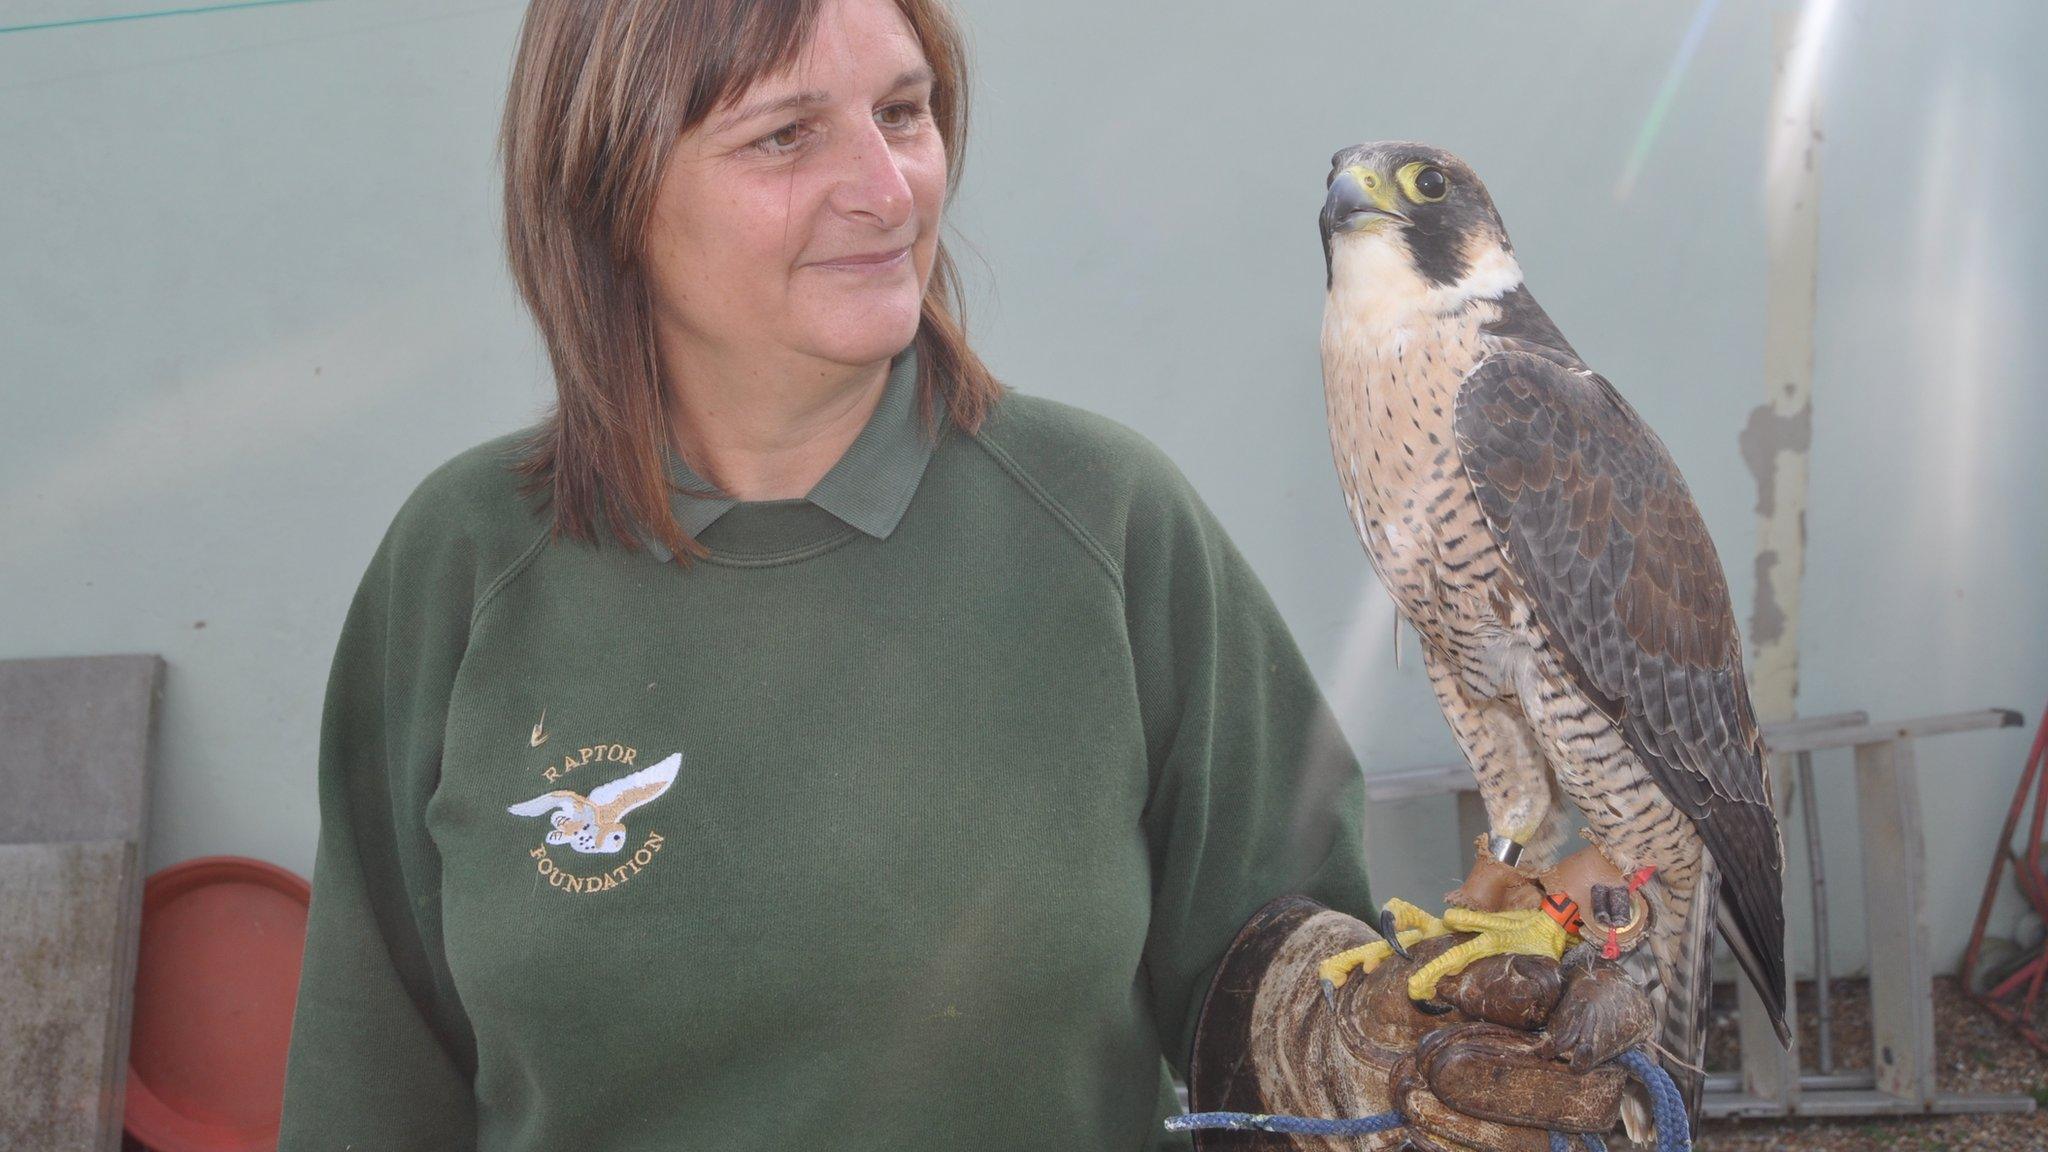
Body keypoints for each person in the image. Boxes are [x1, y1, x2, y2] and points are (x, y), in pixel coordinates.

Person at [275, 0, 1375, 1148]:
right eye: (785, 137)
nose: (887, 190)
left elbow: (1305, 1029)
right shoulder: (463, 560)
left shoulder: (1102, 522)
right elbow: (370, 1082)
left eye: (902, 112)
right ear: (610, 189)